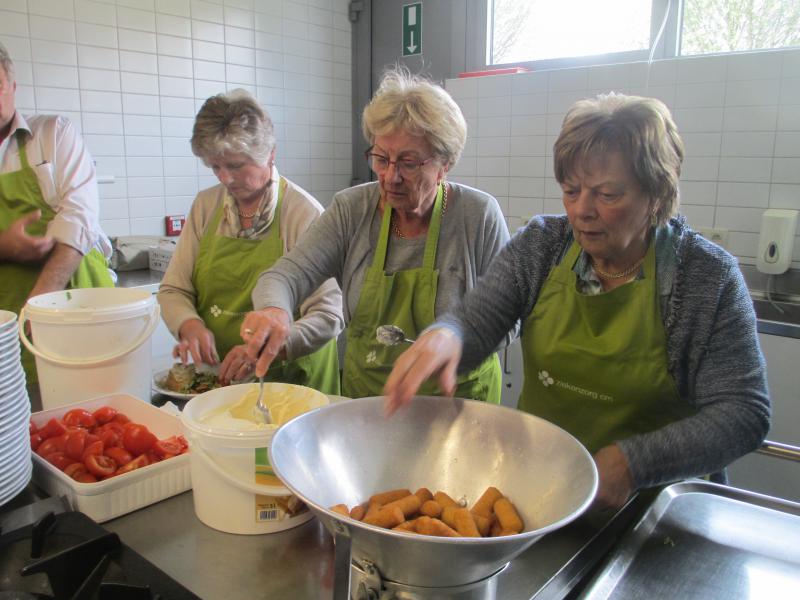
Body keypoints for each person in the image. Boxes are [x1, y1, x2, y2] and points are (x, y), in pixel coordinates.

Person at [384, 93, 770, 511]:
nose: (582, 211)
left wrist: (632, 463)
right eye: (571, 190)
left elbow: (744, 412)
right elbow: (477, 321)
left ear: (657, 192)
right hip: (547, 495)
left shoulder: (705, 279)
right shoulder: (542, 246)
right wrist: (448, 336)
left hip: (661, 513)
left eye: (607, 195)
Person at [241, 68, 513, 400]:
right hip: (370, 404)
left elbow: (509, 317)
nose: (390, 176)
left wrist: (459, 338)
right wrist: (275, 311)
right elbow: (285, 275)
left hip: (456, 406)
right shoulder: (351, 209)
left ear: (445, 163)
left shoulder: (478, 215)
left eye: (409, 163)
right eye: (381, 158)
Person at [157, 89, 343, 394]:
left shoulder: (302, 213)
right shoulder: (206, 207)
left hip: (293, 382)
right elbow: (174, 289)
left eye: (237, 165)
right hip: (223, 382)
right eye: (216, 166)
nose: (225, 179)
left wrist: (273, 345)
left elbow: (329, 314)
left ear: (270, 153)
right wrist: (189, 325)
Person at [0, 42, 114, 383]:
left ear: (13, 86)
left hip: (76, 303)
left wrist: (40, 304)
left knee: (96, 412)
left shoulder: (52, 134)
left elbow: (79, 217)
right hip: (6, 318)